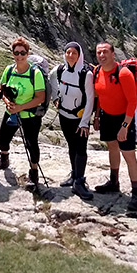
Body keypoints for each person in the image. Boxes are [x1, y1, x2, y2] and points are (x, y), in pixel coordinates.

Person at [91, 41, 137, 211]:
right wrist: (97, 116)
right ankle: (114, 182)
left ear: (113, 54)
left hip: (123, 118)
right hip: (107, 116)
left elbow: (132, 102)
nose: (102, 55)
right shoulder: (97, 71)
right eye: (99, 52)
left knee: (128, 154)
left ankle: (136, 193)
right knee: (112, 147)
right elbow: (100, 96)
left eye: (105, 52)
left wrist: (125, 126)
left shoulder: (123, 73)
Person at [0, 37, 45, 189]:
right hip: (12, 111)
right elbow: (2, 89)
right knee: (3, 139)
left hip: (30, 115)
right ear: (13, 53)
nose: (19, 56)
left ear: (28, 54)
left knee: (31, 144)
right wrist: (7, 102)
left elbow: (40, 97)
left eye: (22, 53)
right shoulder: (9, 70)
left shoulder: (35, 73)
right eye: (16, 53)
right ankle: (4, 159)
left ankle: (34, 173)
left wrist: (20, 107)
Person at [52, 42, 95, 200]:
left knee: (81, 149)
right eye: (68, 52)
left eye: (74, 53)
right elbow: (51, 79)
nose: (70, 55)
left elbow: (90, 99)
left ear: (79, 55)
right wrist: (55, 98)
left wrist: (84, 122)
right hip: (64, 116)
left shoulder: (86, 74)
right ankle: (74, 175)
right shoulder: (60, 70)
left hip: (79, 119)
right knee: (71, 145)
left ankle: (79, 181)